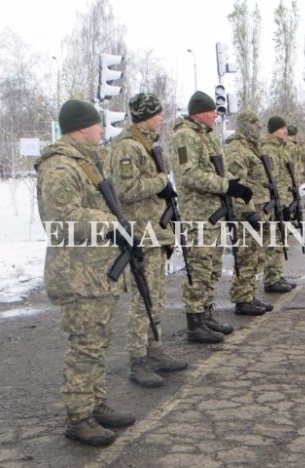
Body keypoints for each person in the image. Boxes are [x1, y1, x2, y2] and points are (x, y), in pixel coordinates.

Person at [35, 99, 135, 446]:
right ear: (81, 127)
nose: (102, 130)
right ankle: (78, 418)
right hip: (77, 273)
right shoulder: (61, 166)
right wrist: (112, 223)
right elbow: (60, 217)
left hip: (97, 270)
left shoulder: (87, 161)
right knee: (85, 345)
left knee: (99, 341)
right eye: (98, 125)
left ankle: (95, 404)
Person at [110, 92, 188, 388]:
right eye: (157, 113)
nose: (161, 117)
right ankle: (137, 361)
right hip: (141, 234)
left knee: (155, 298)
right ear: (145, 115)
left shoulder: (148, 143)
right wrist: (161, 183)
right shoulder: (128, 146)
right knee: (142, 301)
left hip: (155, 232)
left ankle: (154, 352)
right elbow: (124, 190)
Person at [170, 91, 253, 343]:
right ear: (198, 113)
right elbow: (188, 175)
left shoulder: (207, 136)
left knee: (214, 267)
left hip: (213, 213)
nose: (216, 115)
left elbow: (220, 170)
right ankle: (195, 322)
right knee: (200, 268)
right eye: (211, 111)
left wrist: (234, 184)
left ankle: (206, 314)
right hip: (198, 214)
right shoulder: (185, 136)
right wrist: (226, 186)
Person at [225, 110, 274, 316]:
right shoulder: (236, 149)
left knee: (257, 256)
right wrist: (247, 211)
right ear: (245, 126)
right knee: (246, 256)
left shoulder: (253, 148)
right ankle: (242, 299)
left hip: (261, 208)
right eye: (255, 125)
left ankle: (250, 295)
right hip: (248, 212)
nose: (259, 129)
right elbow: (238, 184)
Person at [260, 116, 298, 293]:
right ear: (274, 129)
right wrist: (280, 203)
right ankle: (271, 278)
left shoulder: (280, 148)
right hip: (275, 200)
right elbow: (272, 178)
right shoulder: (269, 149)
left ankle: (276, 273)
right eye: (282, 128)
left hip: (283, 198)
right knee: (274, 240)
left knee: (280, 238)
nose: (285, 131)